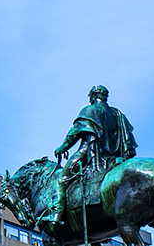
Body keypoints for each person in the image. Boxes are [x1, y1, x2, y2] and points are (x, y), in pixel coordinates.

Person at [44, 85, 136, 230]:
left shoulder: (89, 110)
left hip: (89, 155)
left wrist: (62, 148)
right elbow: (129, 143)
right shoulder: (119, 115)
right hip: (116, 159)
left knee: (61, 181)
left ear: (93, 96)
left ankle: (56, 215)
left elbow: (74, 133)